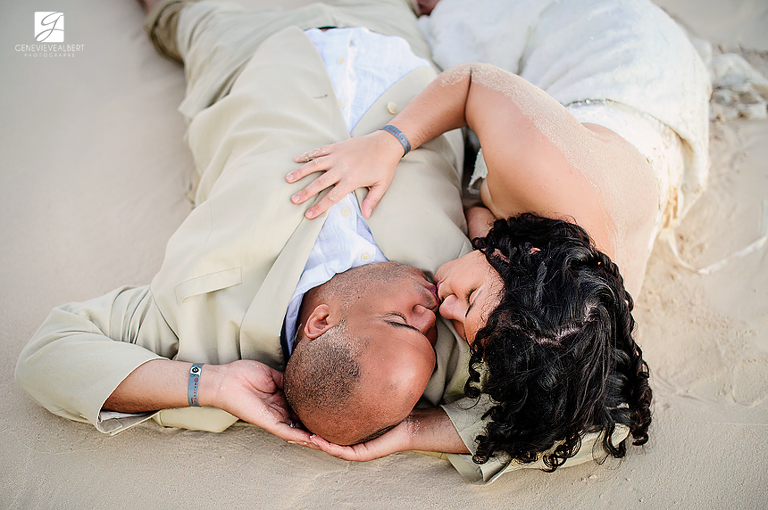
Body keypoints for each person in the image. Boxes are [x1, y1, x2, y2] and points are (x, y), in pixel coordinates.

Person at [15, 0, 475, 457]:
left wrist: (209, 384)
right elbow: (544, 426)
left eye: (403, 322)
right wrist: (420, 430)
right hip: (384, 26)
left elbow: (50, 352)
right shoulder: (462, 322)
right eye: (423, 332)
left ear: (320, 323)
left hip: (245, 39)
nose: (432, 314)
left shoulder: (199, 317)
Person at [288, 0, 710, 472]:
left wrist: (413, 430)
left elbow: (582, 420)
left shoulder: (578, 313)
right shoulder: (540, 167)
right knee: (439, 21)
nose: (440, 311)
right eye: (466, 300)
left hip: (644, 129)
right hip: (611, 40)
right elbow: (471, 82)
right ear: (523, 256)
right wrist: (389, 143)